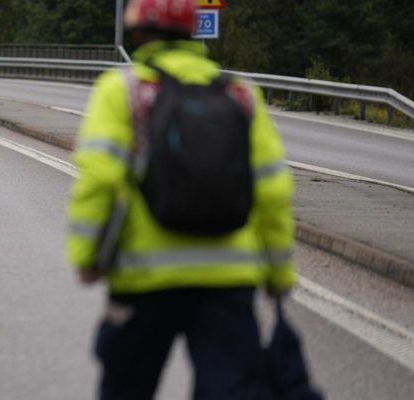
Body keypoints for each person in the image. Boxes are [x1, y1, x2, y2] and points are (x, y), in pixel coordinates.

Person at [66, 0, 297, 398]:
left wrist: (87, 256)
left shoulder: (124, 89)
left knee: (126, 388)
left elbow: (100, 180)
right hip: (228, 282)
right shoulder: (241, 95)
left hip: (143, 278)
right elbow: (272, 191)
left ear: (139, 32)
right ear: (196, 31)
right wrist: (278, 274)